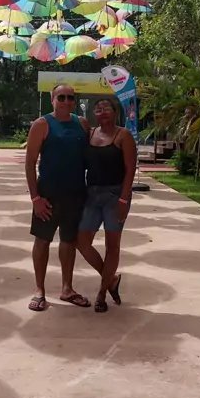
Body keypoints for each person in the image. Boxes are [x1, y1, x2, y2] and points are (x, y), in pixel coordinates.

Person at [25, 84, 91, 312]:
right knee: (42, 240)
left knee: (69, 241)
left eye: (70, 97)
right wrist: (35, 198)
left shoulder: (82, 124)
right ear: (52, 100)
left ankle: (67, 289)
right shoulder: (41, 125)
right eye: (61, 97)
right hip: (48, 194)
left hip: (76, 193)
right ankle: (39, 290)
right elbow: (30, 163)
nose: (66, 101)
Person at [76, 97, 137, 312]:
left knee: (112, 246)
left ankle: (102, 293)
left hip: (115, 195)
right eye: (98, 109)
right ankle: (111, 280)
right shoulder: (90, 133)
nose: (102, 111)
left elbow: (130, 169)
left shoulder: (124, 135)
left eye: (106, 108)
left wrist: (123, 199)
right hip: (91, 194)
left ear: (115, 112)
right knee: (81, 241)